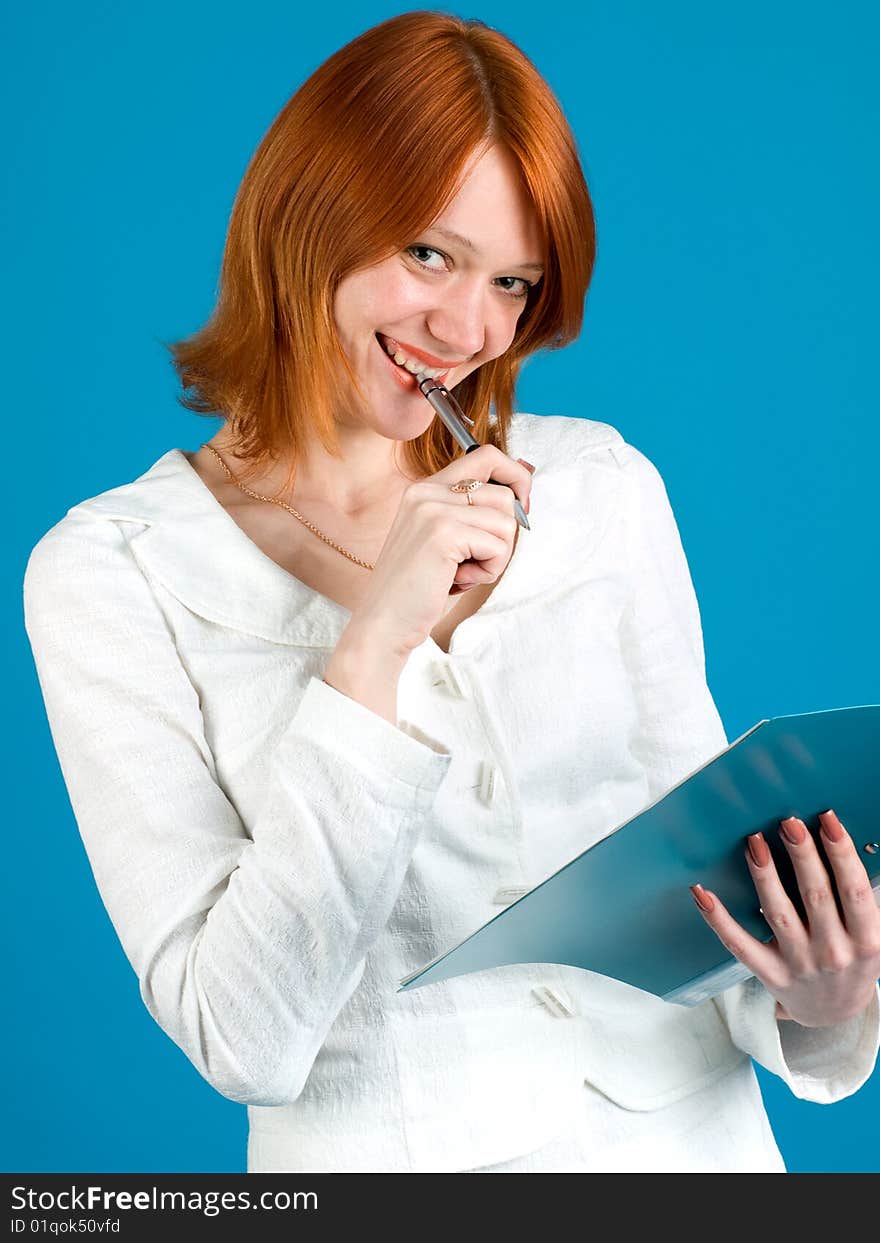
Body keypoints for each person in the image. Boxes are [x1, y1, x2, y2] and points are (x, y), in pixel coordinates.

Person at [22, 11, 880, 1174]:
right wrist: (371, 648)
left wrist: (819, 996)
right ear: (304, 222)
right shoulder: (113, 571)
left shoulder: (598, 487)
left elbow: (708, 892)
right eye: (427, 254)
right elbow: (241, 1037)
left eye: (512, 281)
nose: (465, 328)